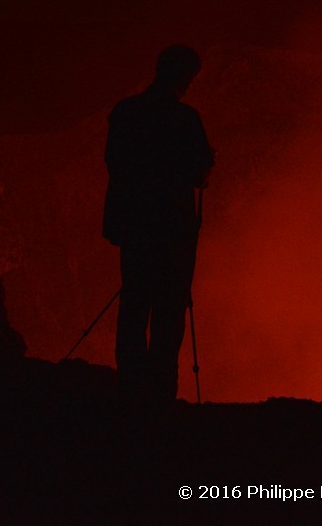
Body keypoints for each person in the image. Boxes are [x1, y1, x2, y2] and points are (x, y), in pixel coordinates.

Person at [103, 44, 214, 404]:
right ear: (185, 77)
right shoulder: (185, 119)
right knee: (169, 311)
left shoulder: (126, 112)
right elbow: (198, 172)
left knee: (135, 303)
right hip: (173, 231)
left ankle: (130, 388)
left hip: (135, 226)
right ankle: (160, 394)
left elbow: (115, 163)